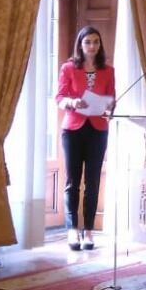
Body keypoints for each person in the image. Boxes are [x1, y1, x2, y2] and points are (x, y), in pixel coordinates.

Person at [55, 26, 116, 251]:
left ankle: (89, 231)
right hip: (73, 128)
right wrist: (72, 103)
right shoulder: (69, 68)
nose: (92, 46)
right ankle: (72, 230)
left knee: (93, 182)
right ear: (80, 45)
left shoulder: (108, 70)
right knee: (73, 181)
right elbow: (60, 96)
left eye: (96, 42)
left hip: (98, 129)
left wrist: (109, 107)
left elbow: (112, 98)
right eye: (88, 42)